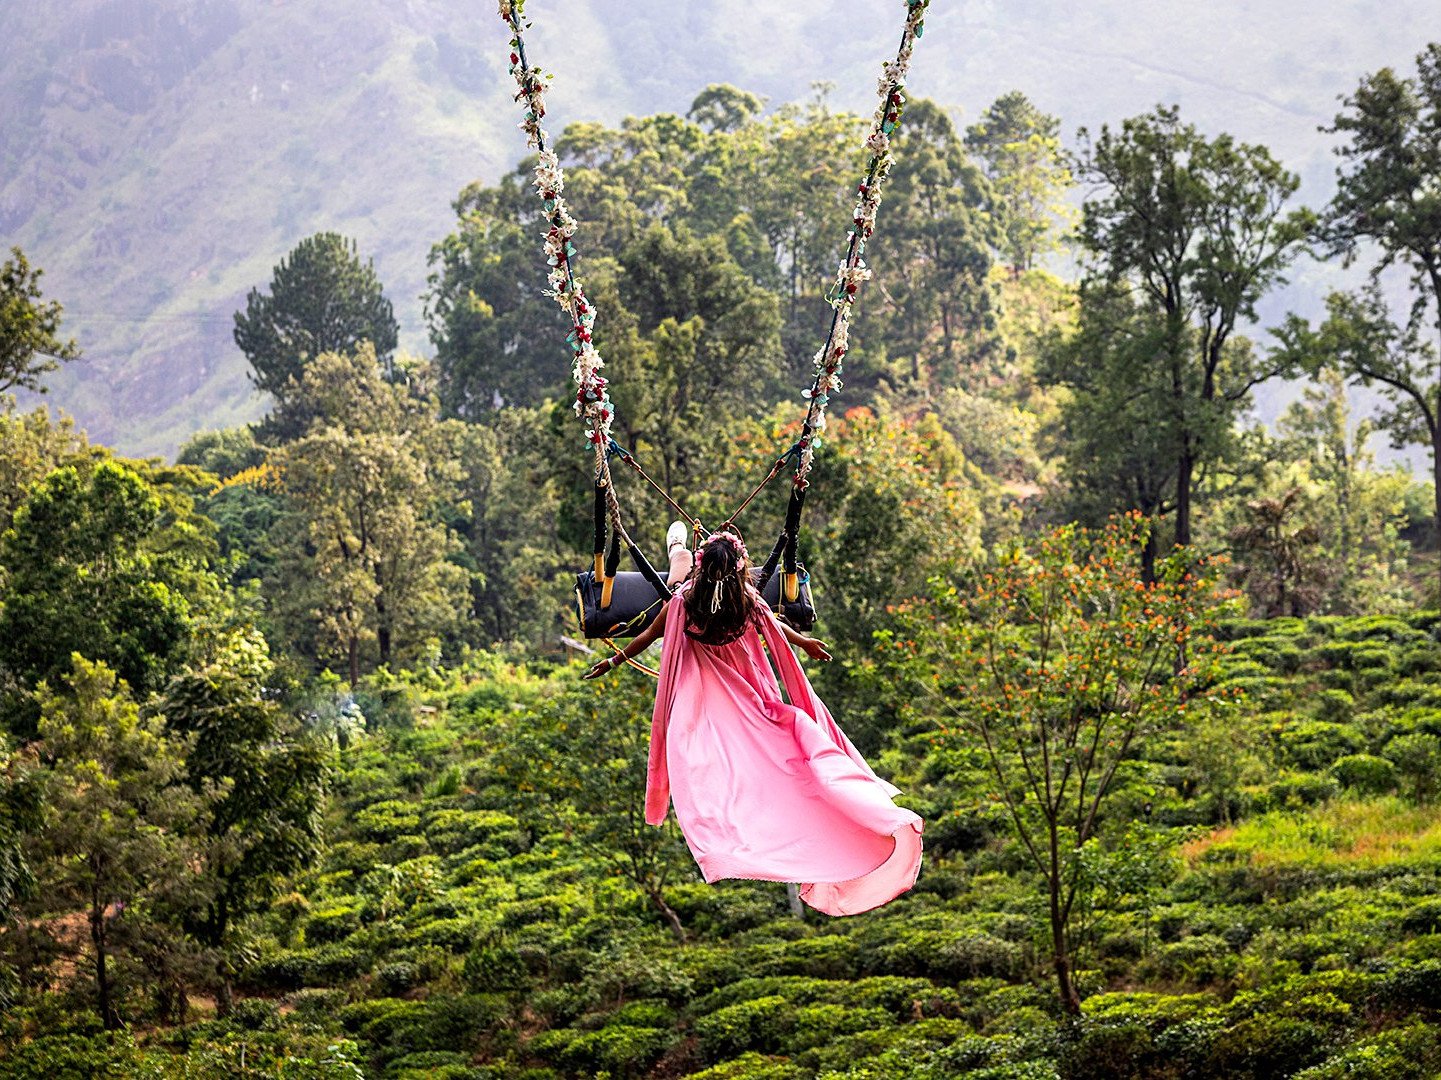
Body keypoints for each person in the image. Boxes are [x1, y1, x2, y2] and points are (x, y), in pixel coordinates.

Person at [584, 526, 923, 915]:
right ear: (742, 571)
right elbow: (775, 627)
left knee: (675, 572)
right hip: (747, 690)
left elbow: (647, 635)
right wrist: (805, 643)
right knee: (787, 740)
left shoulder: (682, 601)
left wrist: (613, 660)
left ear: (704, 568)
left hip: (705, 689)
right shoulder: (748, 602)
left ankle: (677, 546)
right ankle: (678, 547)